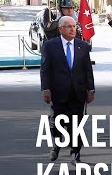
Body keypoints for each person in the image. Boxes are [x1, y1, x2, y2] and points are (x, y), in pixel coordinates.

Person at [40, 15, 95, 164]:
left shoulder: (82, 46)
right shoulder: (50, 46)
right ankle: (56, 145)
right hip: (58, 92)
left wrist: (91, 89)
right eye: (69, 26)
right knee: (56, 122)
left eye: (74, 26)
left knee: (76, 124)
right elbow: (45, 69)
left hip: (78, 92)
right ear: (61, 29)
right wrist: (45, 88)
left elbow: (87, 69)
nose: (73, 29)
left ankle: (75, 153)